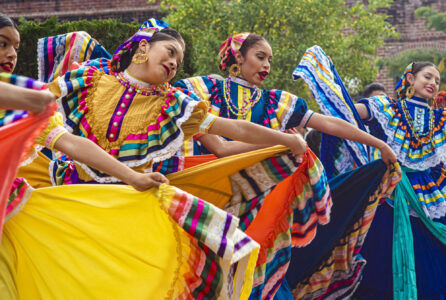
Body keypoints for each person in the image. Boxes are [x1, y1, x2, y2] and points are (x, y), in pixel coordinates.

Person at [0, 16, 305, 299]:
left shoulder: (173, 104)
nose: (174, 62)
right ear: (143, 47)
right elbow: (44, 116)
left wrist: (286, 138)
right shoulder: (90, 79)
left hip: (125, 208)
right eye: (170, 51)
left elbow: (234, 128)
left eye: (178, 60)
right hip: (68, 197)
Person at [173, 33, 399, 299]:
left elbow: (329, 123)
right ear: (238, 56)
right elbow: (214, 143)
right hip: (211, 194)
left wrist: (378, 144)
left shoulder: (275, 102)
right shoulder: (205, 89)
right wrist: (281, 142)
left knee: (260, 272)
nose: (266, 65)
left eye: (270, 59)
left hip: (259, 199)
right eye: (260, 57)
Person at [296, 48, 446, 299]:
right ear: (410, 79)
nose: (432, 83)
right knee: (381, 260)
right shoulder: (387, 108)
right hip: (391, 190)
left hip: (429, 197)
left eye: (437, 80)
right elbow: (351, 116)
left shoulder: (440, 120)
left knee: (432, 264)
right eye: (427, 77)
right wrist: (332, 100)